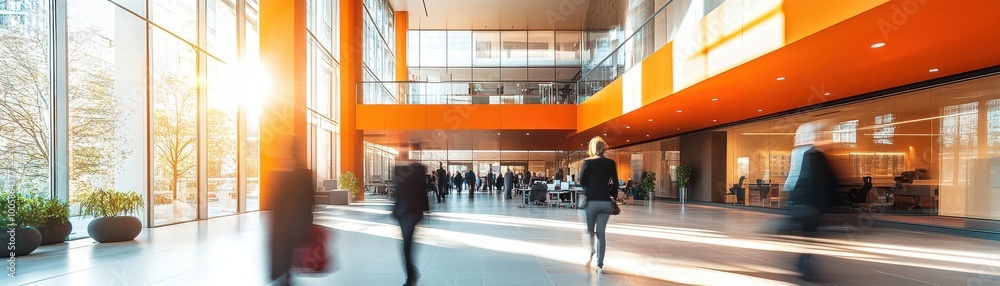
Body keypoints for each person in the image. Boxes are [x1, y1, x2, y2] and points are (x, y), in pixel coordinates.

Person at [783, 121, 837, 282]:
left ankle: (802, 263)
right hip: (811, 203)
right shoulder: (815, 154)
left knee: (807, 235)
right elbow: (827, 180)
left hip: (800, 201)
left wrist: (788, 197)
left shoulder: (798, 152)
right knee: (810, 235)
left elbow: (792, 176)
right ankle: (803, 265)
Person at [268, 135, 315, 285]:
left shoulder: (284, 172)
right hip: (288, 220)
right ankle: (285, 274)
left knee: (286, 248)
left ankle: (286, 273)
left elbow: (309, 199)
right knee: (286, 248)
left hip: (290, 220)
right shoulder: (301, 173)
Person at [578, 136, 618, 274]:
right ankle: (600, 266)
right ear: (604, 148)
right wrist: (612, 196)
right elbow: (615, 183)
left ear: (592, 148)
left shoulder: (587, 163)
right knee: (601, 234)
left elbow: (582, 182)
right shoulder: (611, 163)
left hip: (591, 202)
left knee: (590, 231)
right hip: (605, 202)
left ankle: (591, 251)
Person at [392, 156, 429, 286]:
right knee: (406, 246)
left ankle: (411, 277)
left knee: (406, 246)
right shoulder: (400, 170)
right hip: (405, 212)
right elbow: (397, 192)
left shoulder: (415, 170)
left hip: (410, 213)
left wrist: (426, 210)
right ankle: (411, 275)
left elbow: (421, 190)